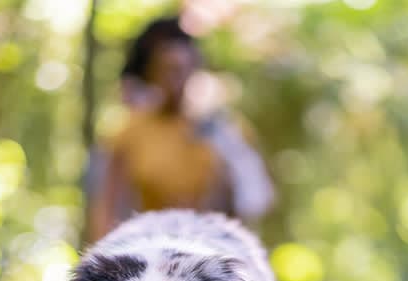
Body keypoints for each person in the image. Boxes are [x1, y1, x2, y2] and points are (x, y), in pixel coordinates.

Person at [85, 17, 274, 243]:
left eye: (181, 69)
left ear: (193, 69)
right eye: (166, 69)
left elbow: (253, 198)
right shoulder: (130, 130)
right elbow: (106, 205)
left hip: (211, 244)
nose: (175, 78)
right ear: (152, 72)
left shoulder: (223, 129)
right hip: (151, 243)